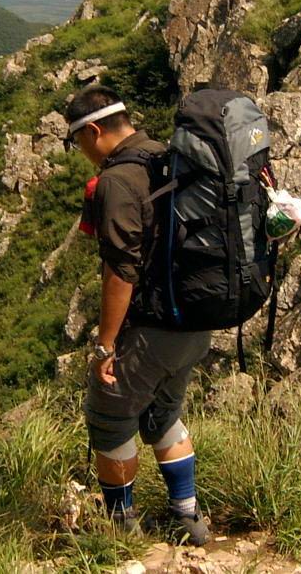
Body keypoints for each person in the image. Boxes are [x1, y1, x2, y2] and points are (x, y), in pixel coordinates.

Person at [64, 85, 211, 544]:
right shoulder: (167, 157)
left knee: (109, 421)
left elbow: (121, 271)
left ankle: (122, 530)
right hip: (195, 320)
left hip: (151, 327)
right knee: (163, 417)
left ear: (93, 131)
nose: (80, 151)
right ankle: (188, 518)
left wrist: (105, 345)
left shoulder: (117, 181)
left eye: (76, 140)